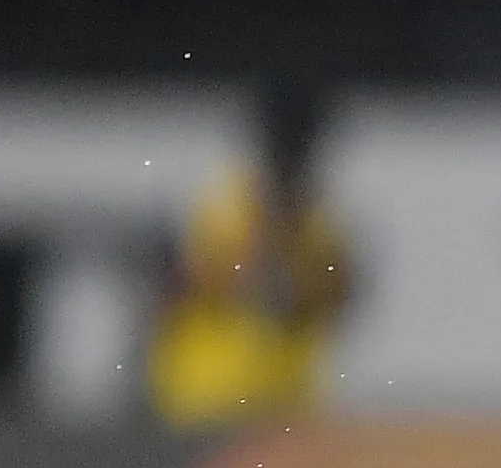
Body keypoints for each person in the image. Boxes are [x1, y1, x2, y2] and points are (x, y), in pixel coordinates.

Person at [149, 88, 354, 429]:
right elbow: (180, 283)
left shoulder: (319, 223)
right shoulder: (220, 204)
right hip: (206, 398)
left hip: (285, 402)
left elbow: (339, 295)